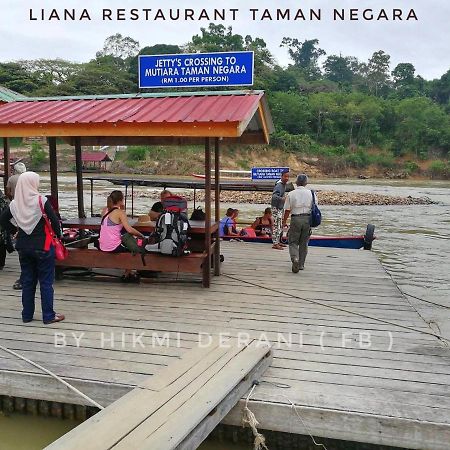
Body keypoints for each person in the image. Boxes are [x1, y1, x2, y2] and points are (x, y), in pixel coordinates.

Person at [0, 172, 65, 324]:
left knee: (28, 281)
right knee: (46, 282)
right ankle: (48, 315)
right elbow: (55, 221)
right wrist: (59, 236)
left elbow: (2, 219)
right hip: (42, 246)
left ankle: (27, 315)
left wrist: (14, 230)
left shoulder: (15, 204)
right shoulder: (41, 200)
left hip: (23, 246)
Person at [99, 190, 145, 282]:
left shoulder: (105, 210)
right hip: (113, 246)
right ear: (120, 200)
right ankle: (127, 274)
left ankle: (128, 273)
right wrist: (141, 235)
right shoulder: (120, 213)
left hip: (102, 245)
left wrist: (122, 209)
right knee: (132, 248)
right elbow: (129, 229)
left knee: (125, 239)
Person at [282, 174, 317, 273]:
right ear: (306, 182)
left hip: (295, 219)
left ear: (296, 182)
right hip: (307, 219)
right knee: (304, 243)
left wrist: (284, 222)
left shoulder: (291, 194)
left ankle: (295, 259)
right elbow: (314, 207)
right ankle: (301, 264)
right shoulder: (312, 193)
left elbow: (287, 210)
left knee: (293, 241)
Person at [271, 169, 290, 250]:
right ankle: (275, 243)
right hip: (276, 208)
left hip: (280, 208)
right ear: (281, 176)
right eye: (285, 176)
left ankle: (278, 241)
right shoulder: (279, 185)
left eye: (288, 176)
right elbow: (274, 196)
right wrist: (282, 199)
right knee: (276, 225)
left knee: (279, 225)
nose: (287, 178)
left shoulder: (284, 185)